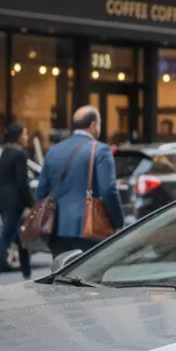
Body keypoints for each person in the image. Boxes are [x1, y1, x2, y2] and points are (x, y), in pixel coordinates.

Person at [35, 105, 124, 257]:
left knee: (60, 275)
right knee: (89, 277)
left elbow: (41, 192)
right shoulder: (101, 150)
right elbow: (108, 190)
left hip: (55, 228)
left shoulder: (53, 151)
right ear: (94, 125)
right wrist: (118, 222)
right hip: (88, 228)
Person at [0, 122, 34, 291]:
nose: (27, 137)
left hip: (1, 202)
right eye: (25, 134)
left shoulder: (2, 152)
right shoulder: (19, 155)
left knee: (21, 240)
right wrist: (31, 203)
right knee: (5, 239)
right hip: (14, 203)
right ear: (19, 136)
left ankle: (27, 277)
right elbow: (22, 184)